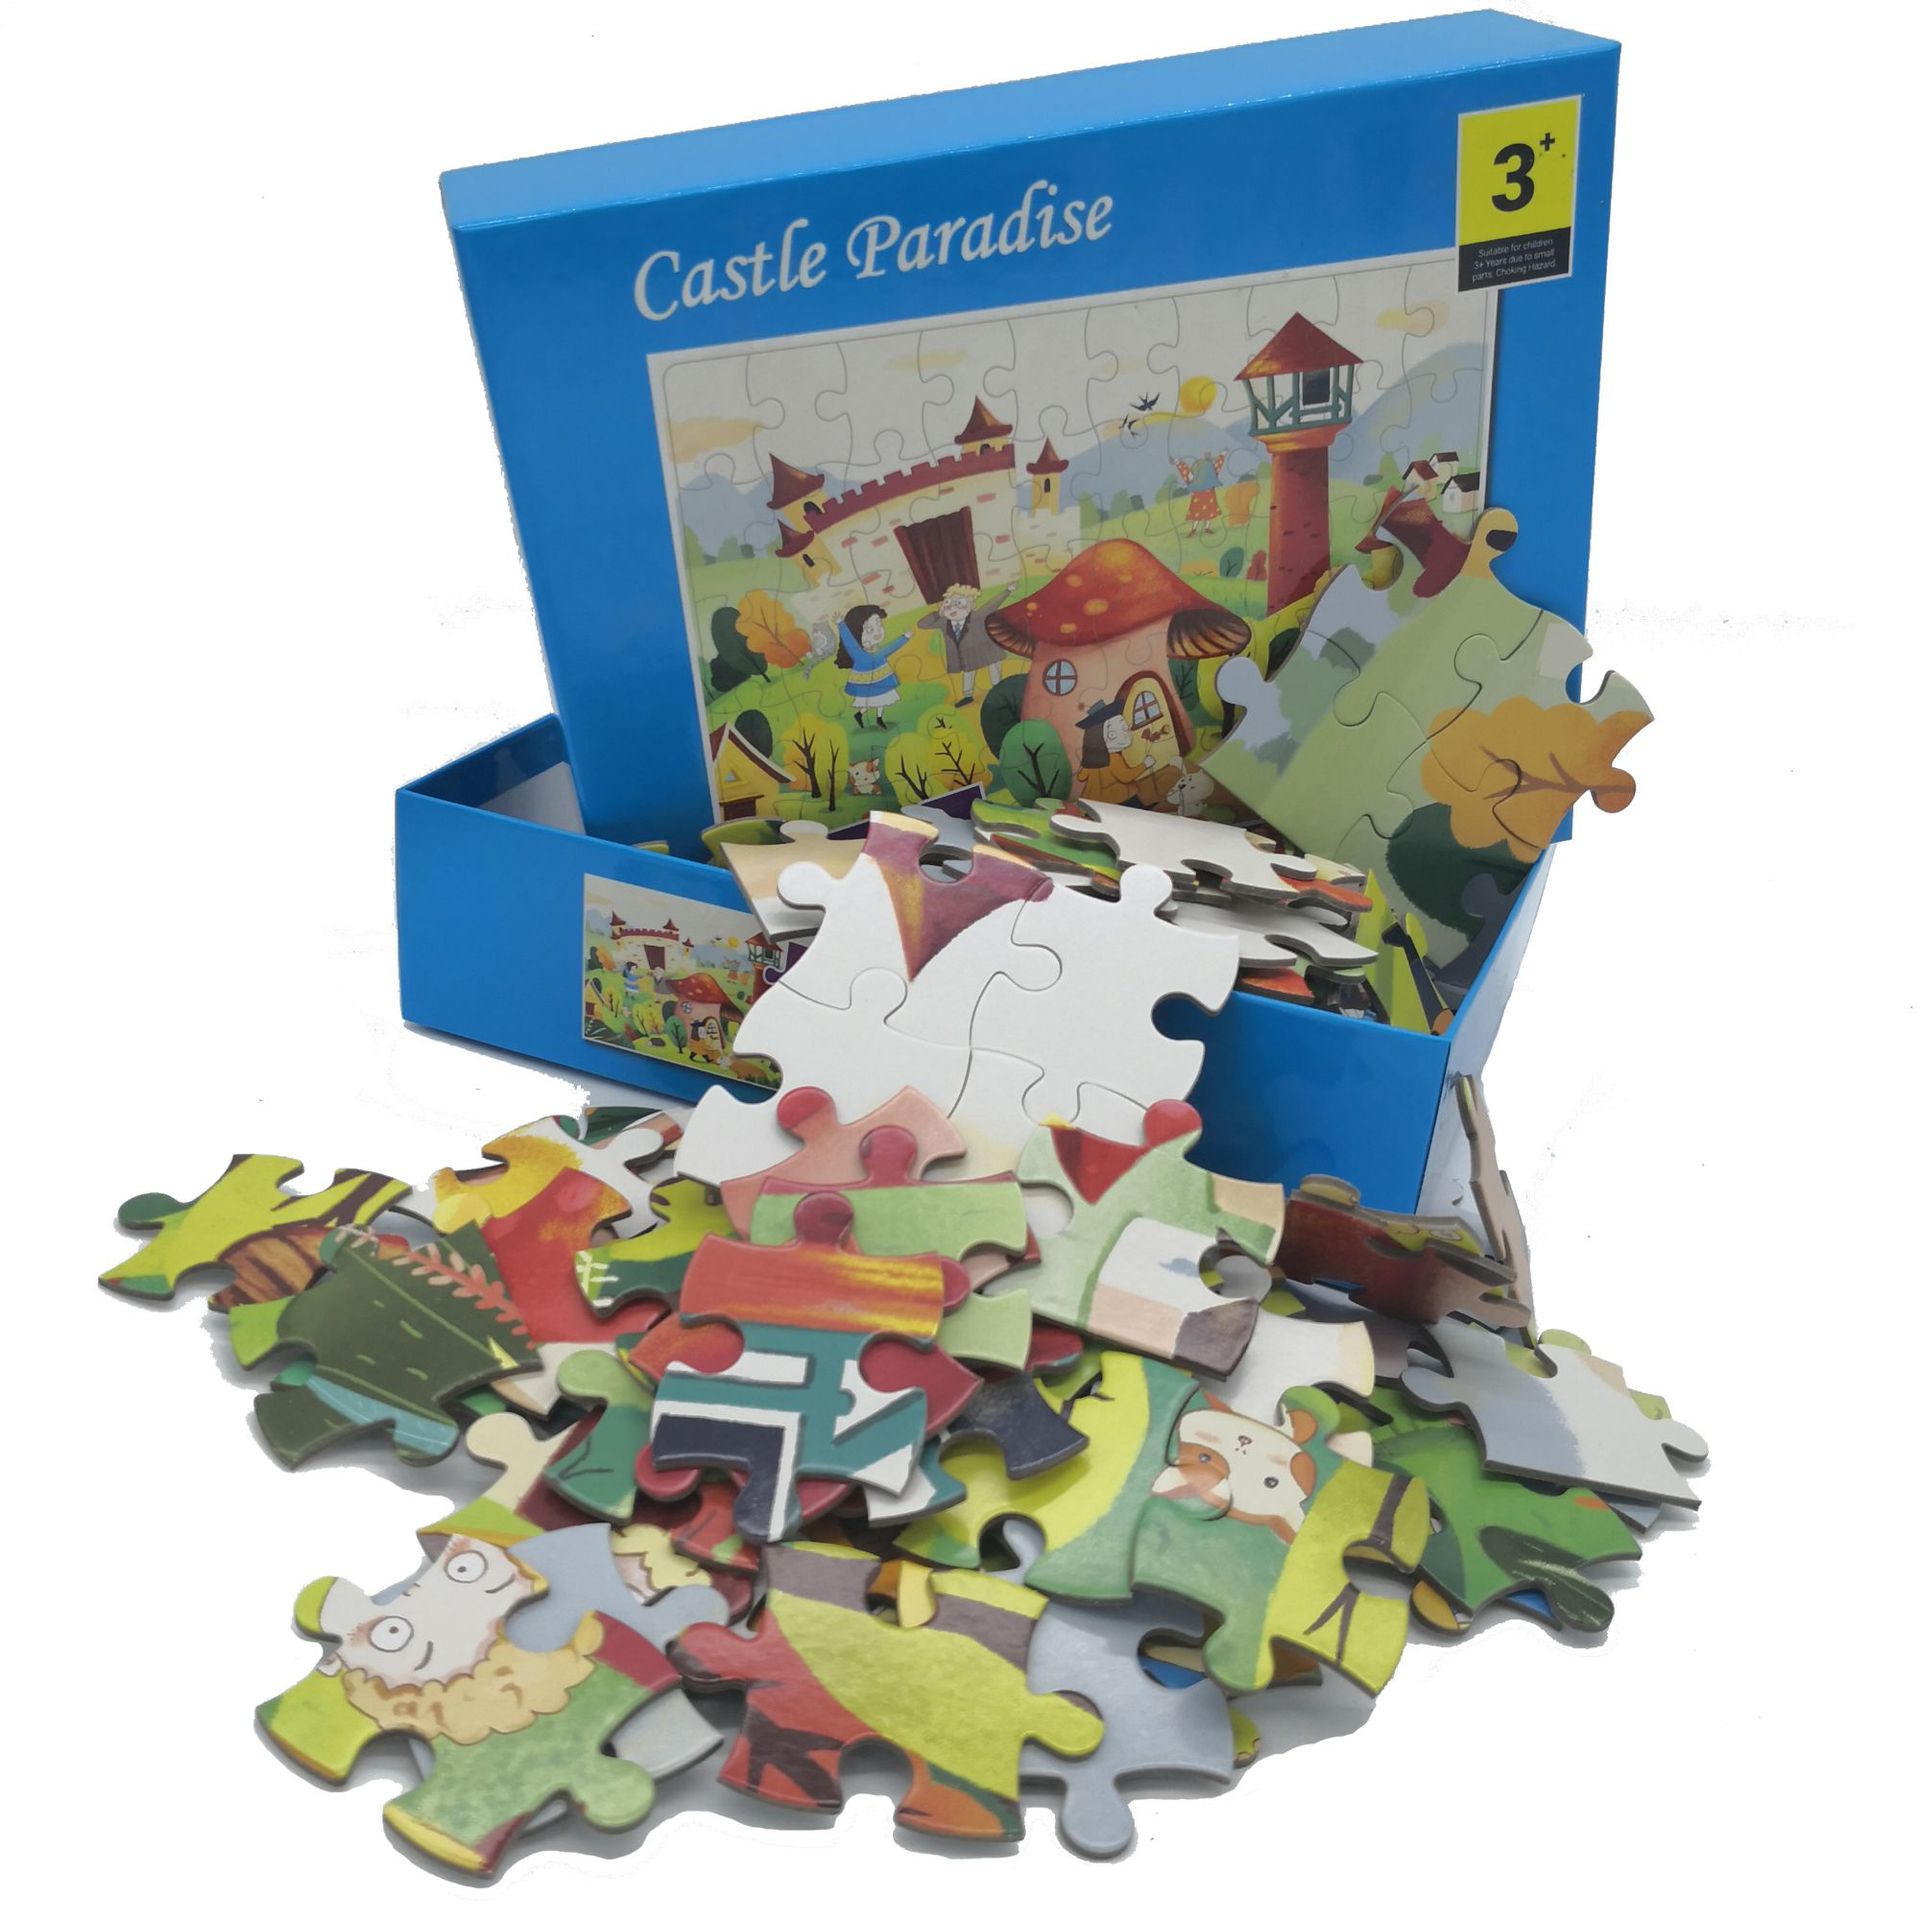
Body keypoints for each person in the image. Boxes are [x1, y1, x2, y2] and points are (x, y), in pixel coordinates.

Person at [917, 581, 1010, 706]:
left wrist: (1007, 591)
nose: (953, 608)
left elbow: (992, 605)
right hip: (967, 655)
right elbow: (922, 624)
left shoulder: (977, 616)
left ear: (971, 605)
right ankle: (968, 696)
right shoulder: (943, 622)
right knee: (968, 673)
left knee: (994, 668)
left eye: (959, 603)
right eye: (948, 604)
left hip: (986, 650)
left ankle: (998, 690)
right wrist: (938, 613)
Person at [834, 603, 909, 727]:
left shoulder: (878, 651)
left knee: (883, 698)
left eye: (879, 624)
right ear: (857, 633)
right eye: (869, 629)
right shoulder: (858, 654)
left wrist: (904, 638)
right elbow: (848, 640)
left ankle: (878, 718)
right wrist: (841, 624)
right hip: (867, 682)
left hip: (882, 680)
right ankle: (860, 714)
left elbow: (891, 648)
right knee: (871, 700)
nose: (878, 632)